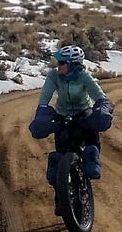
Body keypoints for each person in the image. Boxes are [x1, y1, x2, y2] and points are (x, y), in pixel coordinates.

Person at [29, 44, 114, 189]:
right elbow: (45, 96)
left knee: (91, 137)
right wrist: (42, 111)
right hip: (62, 114)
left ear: (73, 65)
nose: (58, 66)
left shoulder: (84, 76)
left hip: (83, 112)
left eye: (62, 63)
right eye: (58, 62)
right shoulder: (54, 76)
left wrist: (102, 108)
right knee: (60, 153)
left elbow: (99, 95)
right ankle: (61, 197)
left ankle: (91, 162)